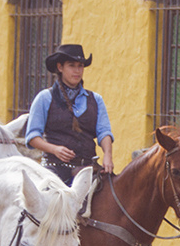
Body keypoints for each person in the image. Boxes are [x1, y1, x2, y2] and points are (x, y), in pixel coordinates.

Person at [25, 44, 114, 184]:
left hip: (88, 169)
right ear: (60, 67)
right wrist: (55, 149)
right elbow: (32, 137)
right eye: (72, 65)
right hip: (53, 169)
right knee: (47, 195)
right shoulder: (45, 98)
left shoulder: (96, 100)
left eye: (80, 66)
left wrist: (108, 155)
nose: (77, 71)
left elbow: (104, 132)